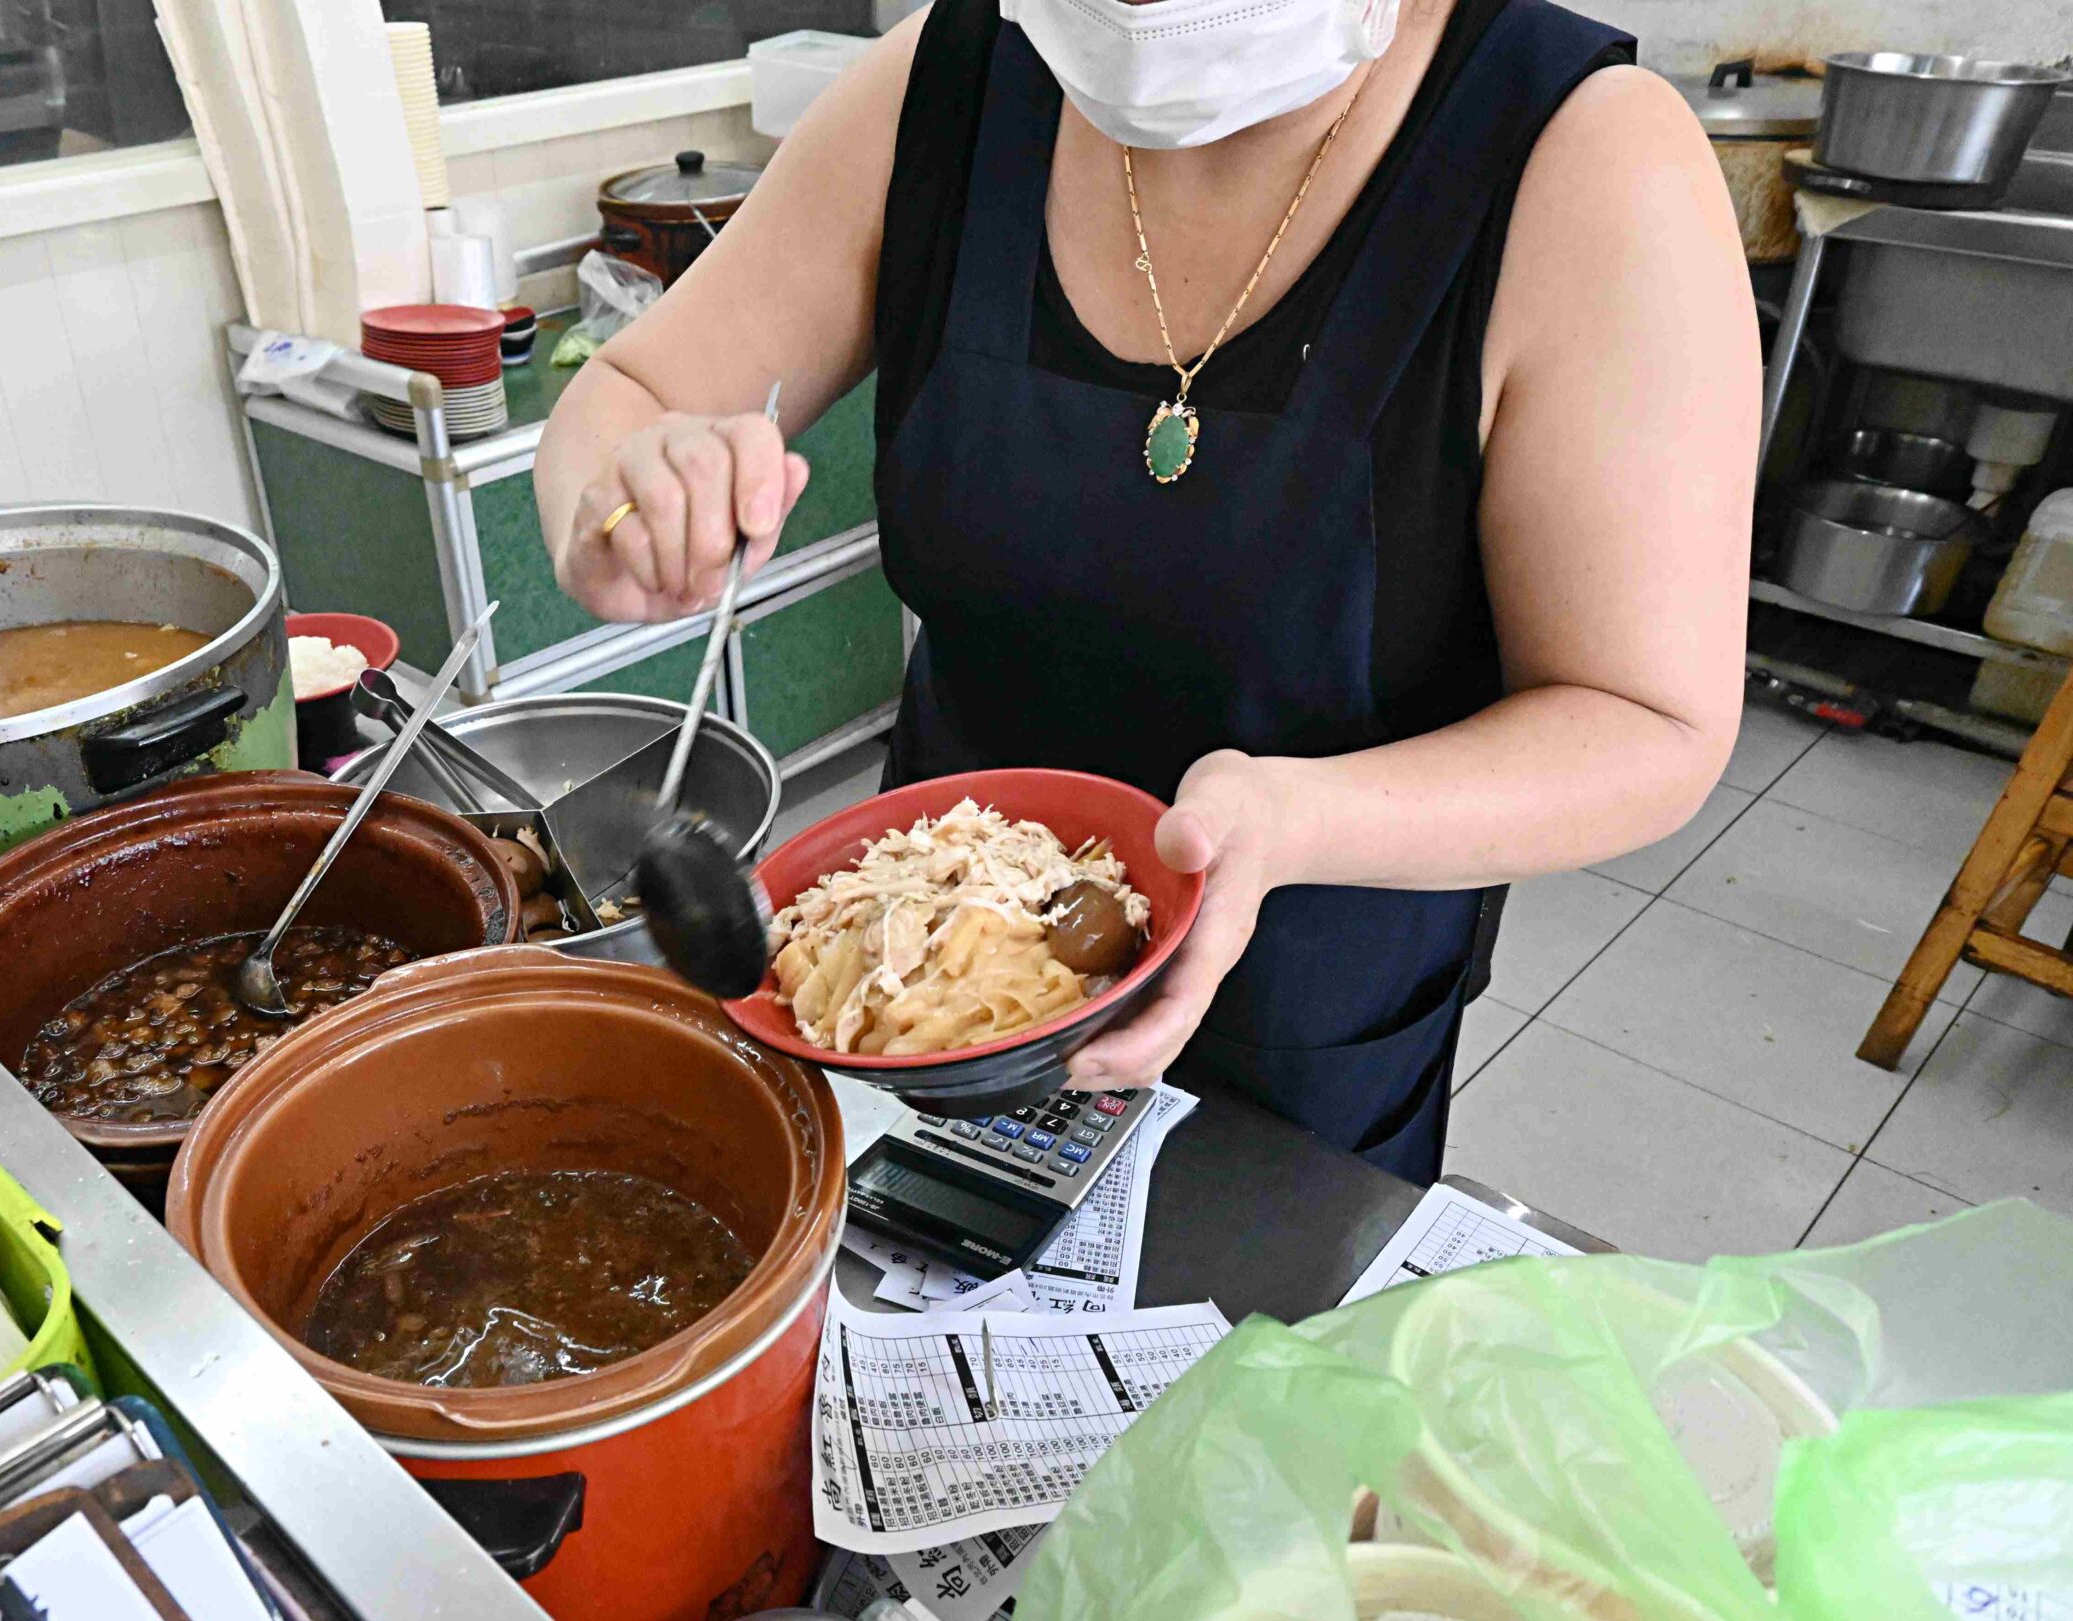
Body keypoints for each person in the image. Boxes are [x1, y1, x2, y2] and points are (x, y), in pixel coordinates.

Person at [533, 0, 1755, 1183]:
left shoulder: (1584, 155)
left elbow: (1646, 718)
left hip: (1296, 1020)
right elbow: (631, 393)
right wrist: (625, 506)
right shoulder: (945, 82)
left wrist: (1295, 821)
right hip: (910, 978)